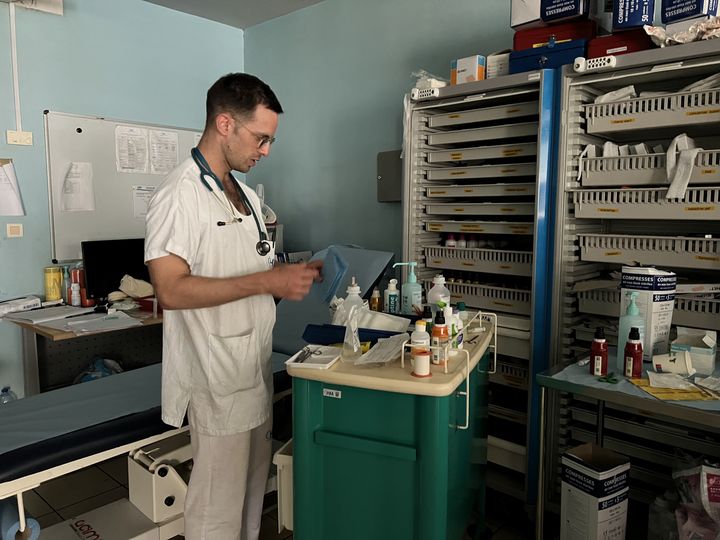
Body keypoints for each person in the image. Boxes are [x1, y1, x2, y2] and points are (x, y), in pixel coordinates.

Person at [144, 73, 322, 540]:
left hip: (251, 369)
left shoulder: (243, 193)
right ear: (225, 123)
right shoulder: (179, 194)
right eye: (261, 138)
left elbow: (247, 268)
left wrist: (285, 281)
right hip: (215, 377)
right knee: (215, 511)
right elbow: (172, 290)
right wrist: (266, 279)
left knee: (248, 498)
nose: (265, 151)